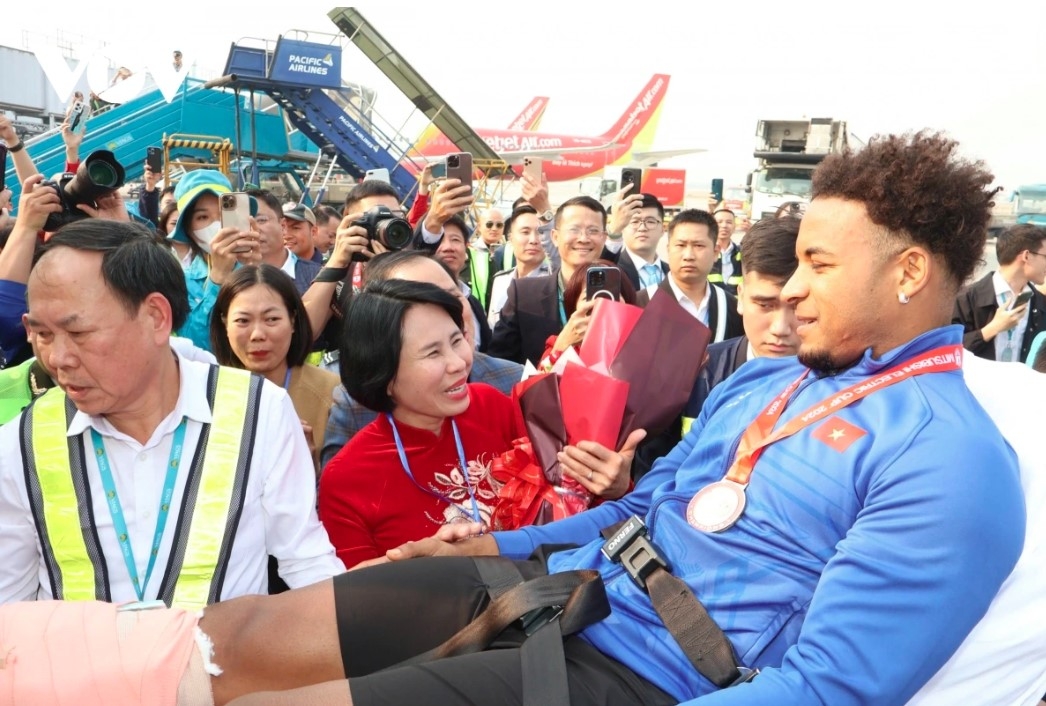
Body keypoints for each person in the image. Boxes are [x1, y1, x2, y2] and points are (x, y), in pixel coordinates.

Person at [0, 220, 343, 608]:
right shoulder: (21, 442)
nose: (58, 359)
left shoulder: (258, 411)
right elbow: (10, 602)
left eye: (78, 334)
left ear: (156, 318)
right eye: (42, 335)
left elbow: (306, 560)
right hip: (74, 669)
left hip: (222, 667)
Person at [319, 277, 638, 569]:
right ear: (383, 373)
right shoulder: (347, 481)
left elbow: (571, 495)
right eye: (433, 353)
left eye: (457, 341)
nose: (459, 363)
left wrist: (615, 485)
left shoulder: (489, 405)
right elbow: (358, 600)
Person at [632, 216, 802, 479]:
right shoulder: (691, 371)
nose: (780, 327)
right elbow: (652, 473)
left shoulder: (850, 386)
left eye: (797, 306)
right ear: (742, 297)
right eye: (765, 305)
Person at [319, 250, 523, 468]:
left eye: (451, 296)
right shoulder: (356, 405)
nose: (442, 310)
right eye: (419, 302)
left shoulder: (513, 382)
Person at [210, 264, 340, 475]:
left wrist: (310, 468)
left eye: (272, 319)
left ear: (293, 320)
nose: (257, 334)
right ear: (225, 324)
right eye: (243, 321)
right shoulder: (207, 395)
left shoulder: (332, 393)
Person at [488, 195, 611, 365]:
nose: (583, 238)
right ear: (554, 237)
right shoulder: (524, 295)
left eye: (593, 230)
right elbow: (499, 366)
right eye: (574, 229)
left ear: (604, 238)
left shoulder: (619, 295)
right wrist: (559, 349)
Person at [166, 170, 262, 351]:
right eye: (203, 217)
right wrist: (217, 277)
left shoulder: (260, 267)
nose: (217, 225)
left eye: (223, 214)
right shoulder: (179, 282)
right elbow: (196, 343)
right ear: (188, 230)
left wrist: (256, 276)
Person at [638, 209, 743, 343]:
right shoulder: (640, 304)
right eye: (681, 245)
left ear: (715, 252)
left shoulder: (732, 308)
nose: (688, 256)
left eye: (698, 245)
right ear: (668, 249)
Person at [952, 223, 1046, 361]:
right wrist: (992, 329)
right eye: (1045, 257)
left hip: (1022, 382)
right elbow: (946, 352)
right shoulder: (966, 299)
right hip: (976, 382)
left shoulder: (1040, 302)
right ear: (1026, 256)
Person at [539, 259, 638, 370]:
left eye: (610, 294)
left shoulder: (644, 346)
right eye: (590, 297)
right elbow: (541, 385)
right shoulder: (558, 345)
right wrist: (561, 347)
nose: (601, 302)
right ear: (574, 306)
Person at [487, 205, 551, 327]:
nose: (533, 240)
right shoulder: (500, 281)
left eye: (540, 232)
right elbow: (492, 329)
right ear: (510, 238)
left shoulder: (554, 280)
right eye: (525, 232)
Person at [612, 193, 670, 291]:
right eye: (635, 222)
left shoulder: (673, 273)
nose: (642, 228)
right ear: (623, 227)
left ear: (663, 229)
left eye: (650, 222)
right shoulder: (612, 269)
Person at [708, 208, 741, 294]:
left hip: (736, 305)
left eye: (729, 222)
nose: (724, 225)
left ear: (734, 227)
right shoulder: (705, 252)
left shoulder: (743, 253)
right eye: (719, 222)